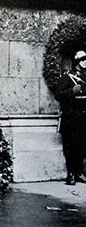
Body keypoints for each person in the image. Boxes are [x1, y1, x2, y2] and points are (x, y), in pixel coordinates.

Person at [54, 50, 86, 185]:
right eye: (83, 60)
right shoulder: (67, 78)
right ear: (76, 62)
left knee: (82, 147)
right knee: (70, 147)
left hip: (83, 117)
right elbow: (58, 95)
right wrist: (72, 91)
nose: (85, 62)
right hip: (71, 118)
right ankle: (71, 174)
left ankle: (79, 172)